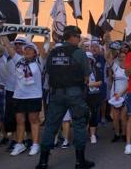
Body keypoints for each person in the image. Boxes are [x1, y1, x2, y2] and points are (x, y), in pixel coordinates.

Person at [36, 26, 94, 169]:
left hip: (56, 93)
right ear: (72, 37)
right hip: (74, 93)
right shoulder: (79, 52)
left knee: (50, 126)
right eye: (78, 36)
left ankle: (43, 162)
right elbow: (87, 74)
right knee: (79, 124)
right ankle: (80, 161)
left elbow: (48, 71)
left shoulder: (53, 52)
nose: (79, 39)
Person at [0, 37, 47, 157]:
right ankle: (20, 144)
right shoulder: (19, 59)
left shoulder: (39, 61)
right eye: (26, 49)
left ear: (35, 52)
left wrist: (47, 37)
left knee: (34, 120)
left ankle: (35, 144)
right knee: (19, 121)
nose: (27, 51)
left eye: (30, 49)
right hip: (19, 95)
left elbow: (46, 48)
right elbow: (8, 47)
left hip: (34, 95)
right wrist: (3, 33)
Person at [108, 49, 129, 142]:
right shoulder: (115, 67)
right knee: (115, 117)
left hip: (125, 94)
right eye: (120, 56)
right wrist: (111, 49)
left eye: (123, 56)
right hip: (115, 94)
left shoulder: (129, 68)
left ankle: (124, 135)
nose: (121, 58)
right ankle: (117, 134)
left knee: (123, 117)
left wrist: (122, 93)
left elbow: (130, 84)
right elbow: (107, 57)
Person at [86, 51, 103, 144]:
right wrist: (92, 85)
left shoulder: (96, 69)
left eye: (89, 59)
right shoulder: (80, 70)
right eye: (86, 59)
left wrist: (88, 84)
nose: (88, 61)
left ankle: (93, 135)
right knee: (83, 115)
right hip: (84, 95)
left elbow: (100, 82)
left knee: (93, 114)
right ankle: (82, 134)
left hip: (94, 95)